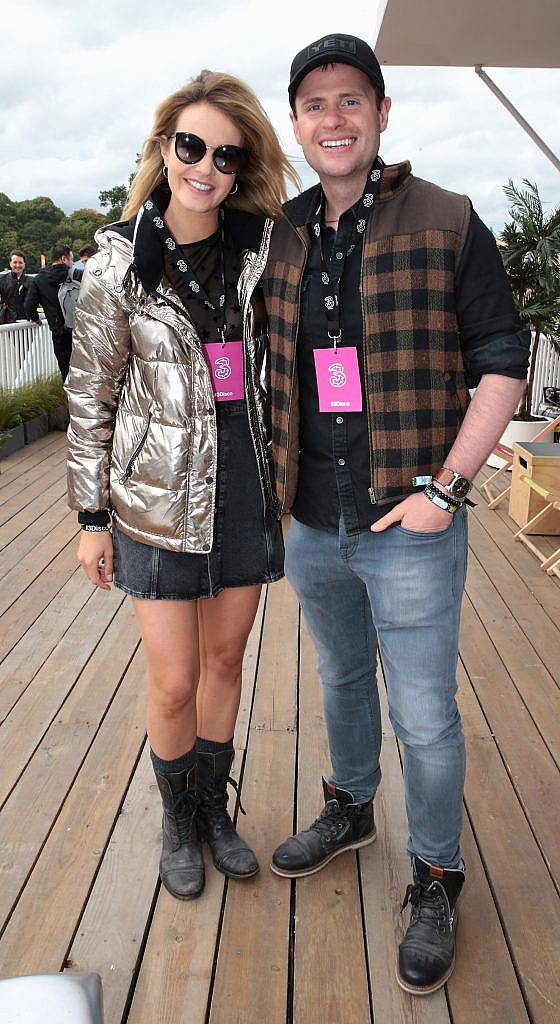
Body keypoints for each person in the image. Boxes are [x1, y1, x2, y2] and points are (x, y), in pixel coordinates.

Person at [261, 33, 530, 994]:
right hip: (310, 516)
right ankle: (351, 806)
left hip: (409, 518)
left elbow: (504, 358)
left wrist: (446, 488)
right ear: (295, 123)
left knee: (424, 712)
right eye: (314, 105)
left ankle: (436, 871)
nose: (333, 119)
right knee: (338, 680)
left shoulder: (449, 218)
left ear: (380, 113)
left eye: (350, 101)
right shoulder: (281, 231)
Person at [65, 71, 298, 901]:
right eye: (191, 145)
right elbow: (89, 398)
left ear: (242, 166)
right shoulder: (117, 267)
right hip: (155, 499)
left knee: (226, 660)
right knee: (172, 678)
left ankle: (212, 812)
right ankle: (175, 817)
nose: (206, 165)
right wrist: (92, 516)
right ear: (165, 148)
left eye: (226, 154)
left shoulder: (265, 248)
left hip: (244, 481)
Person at [25, 244, 74, 379]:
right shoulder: (75, 275)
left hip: (58, 331)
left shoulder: (38, 279)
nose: (72, 262)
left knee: (66, 371)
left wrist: (35, 318)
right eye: (71, 259)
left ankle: (70, 398)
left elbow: (29, 305)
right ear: (64, 258)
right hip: (79, 330)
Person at [0, 250, 30, 323]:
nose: (18, 265)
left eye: (20, 262)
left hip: (28, 323)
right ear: (10, 263)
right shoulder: (2, 280)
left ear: (24, 264)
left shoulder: (32, 281)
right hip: (8, 324)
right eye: (15, 262)